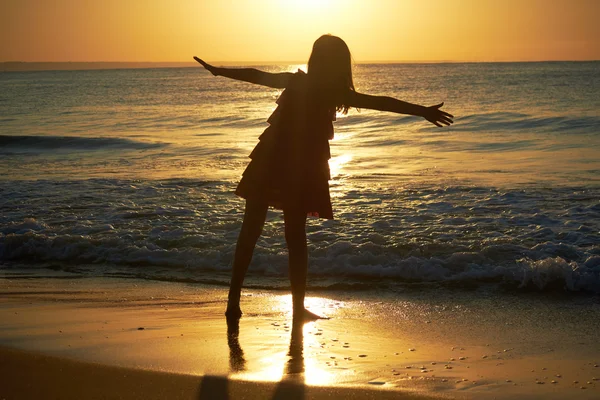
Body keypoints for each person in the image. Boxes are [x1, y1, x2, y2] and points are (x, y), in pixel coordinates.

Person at [194, 34, 453, 321]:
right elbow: (381, 102)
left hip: (272, 157)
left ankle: (234, 302)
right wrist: (422, 111)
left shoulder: (299, 82)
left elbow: (258, 76)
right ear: (340, 65)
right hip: (301, 166)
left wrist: (219, 71)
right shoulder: (334, 93)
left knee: (251, 231)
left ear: (316, 59)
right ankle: (295, 308)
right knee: (294, 235)